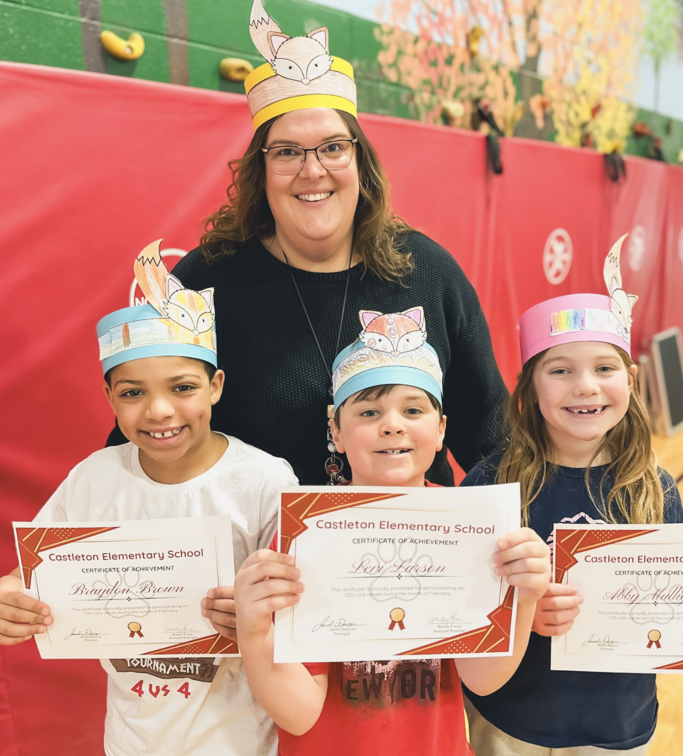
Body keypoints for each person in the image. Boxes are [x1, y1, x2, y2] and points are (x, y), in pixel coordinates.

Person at [106, 0, 508, 486]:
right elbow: (143, 440)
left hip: (412, 545)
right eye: (288, 152)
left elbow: (492, 441)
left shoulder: (426, 271)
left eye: (333, 148)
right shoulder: (205, 283)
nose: (313, 170)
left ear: (362, 163)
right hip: (263, 550)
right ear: (262, 170)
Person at [459, 236, 683, 755]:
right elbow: (467, 613)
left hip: (618, 727)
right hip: (510, 724)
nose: (585, 387)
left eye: (604, 369)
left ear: (630, 381)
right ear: (530, 390)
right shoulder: (492, 485)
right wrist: (524, 615)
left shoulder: (654, 489)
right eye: (560, 371)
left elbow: (667, 606)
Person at [0, 242, 298, 756]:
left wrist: (259, 619)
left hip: (243, 742)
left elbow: (299, 613)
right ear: (109, 398)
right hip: (131, 741)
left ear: (215, 387)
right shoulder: (93, 480)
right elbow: (31, 578)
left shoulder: (264, 481)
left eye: (182, 388)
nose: (158, 410)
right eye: (132, 393)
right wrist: (8, 598)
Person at [233, 308, 552, 756]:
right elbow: (299, 712)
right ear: (336, 431)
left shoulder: (470, 526)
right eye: (369, 410)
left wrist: (525, 596)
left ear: (441, 430)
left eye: (413, 409)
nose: (392, 424)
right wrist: (253, 632)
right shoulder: (305, 533)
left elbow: (482, 678)